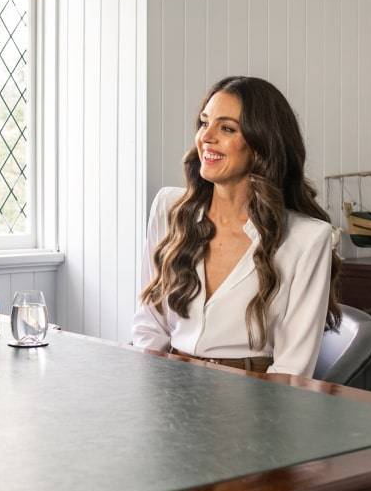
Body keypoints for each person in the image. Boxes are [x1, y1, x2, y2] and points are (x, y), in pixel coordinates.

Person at [132, 76, 340, 377]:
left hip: (256, 400)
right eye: (204, 123)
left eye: (227, 128)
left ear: (261, 146)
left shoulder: (308, 238)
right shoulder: (170, 209)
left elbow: (293, 367)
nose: (206, 137)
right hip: (170, 389)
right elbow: (149, 325)